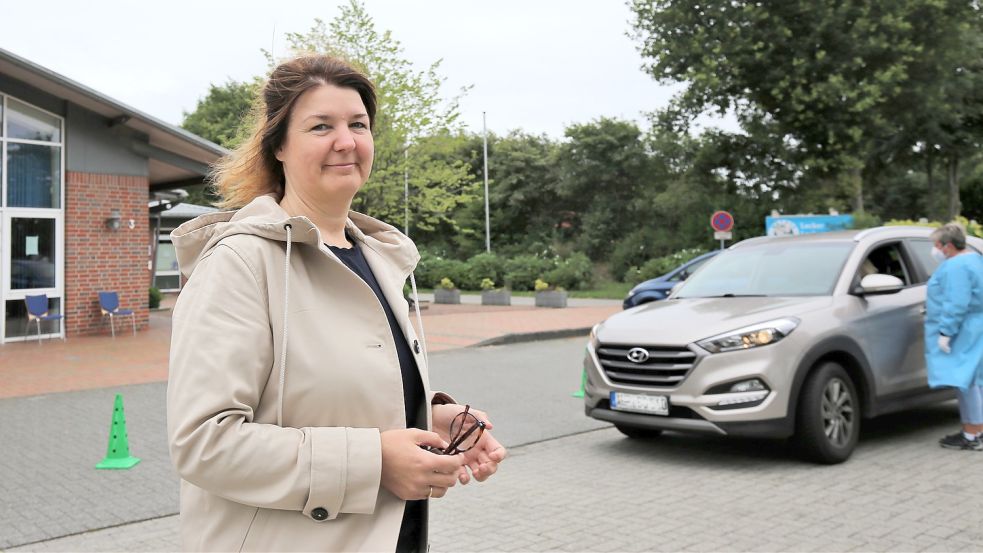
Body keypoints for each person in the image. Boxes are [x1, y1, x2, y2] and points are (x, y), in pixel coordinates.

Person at [166, 54, 506, 552]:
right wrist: (375, 462)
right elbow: (203, 443)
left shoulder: (378, 258)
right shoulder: (239, 262)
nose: (346, 141)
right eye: (321, 126)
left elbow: (337, 395)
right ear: (278, 146)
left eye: (358, 124)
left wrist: (427, 418)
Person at [925, 223, 983, 451]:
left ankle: (971, 435)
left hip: (963, 329)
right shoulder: (975, 260)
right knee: (975, 381)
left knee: (965, 382)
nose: (935, 249)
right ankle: (976, 431)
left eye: (936, 245)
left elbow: (956, 302)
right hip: (975, 325)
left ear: (947, 246)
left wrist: (945, 333)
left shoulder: (956, 267)